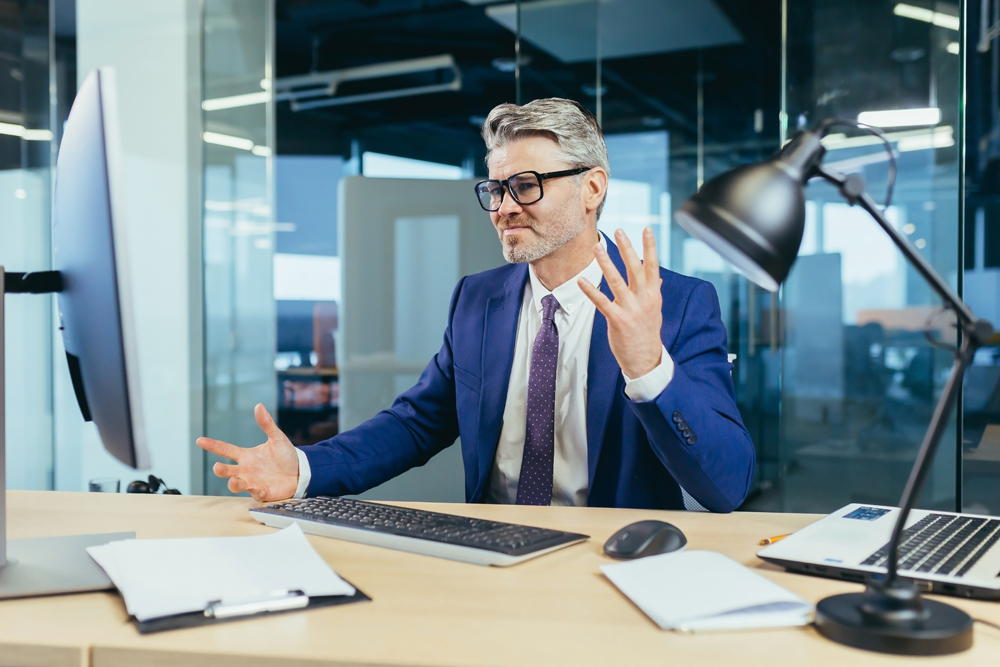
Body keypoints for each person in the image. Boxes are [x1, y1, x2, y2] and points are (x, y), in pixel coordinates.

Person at [197, 98, 755, 512]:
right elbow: (416, 424)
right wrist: (305, 467)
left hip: (612, 562)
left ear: (592, 189)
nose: (506, 207)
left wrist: (649, 369)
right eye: (496, 188)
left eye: (528, 185)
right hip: (492, 551)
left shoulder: (677, 305)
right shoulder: (478, 299)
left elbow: (726, 486)